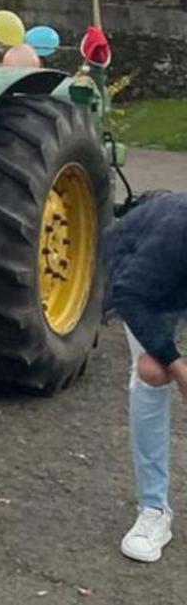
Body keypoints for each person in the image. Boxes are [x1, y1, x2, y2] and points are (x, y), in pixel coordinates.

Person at [103, 190, 187, 563]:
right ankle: (154, 510)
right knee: (153, 372)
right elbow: (131, 294)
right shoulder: (175, 234)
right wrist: (177, 365)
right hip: (146, 285)